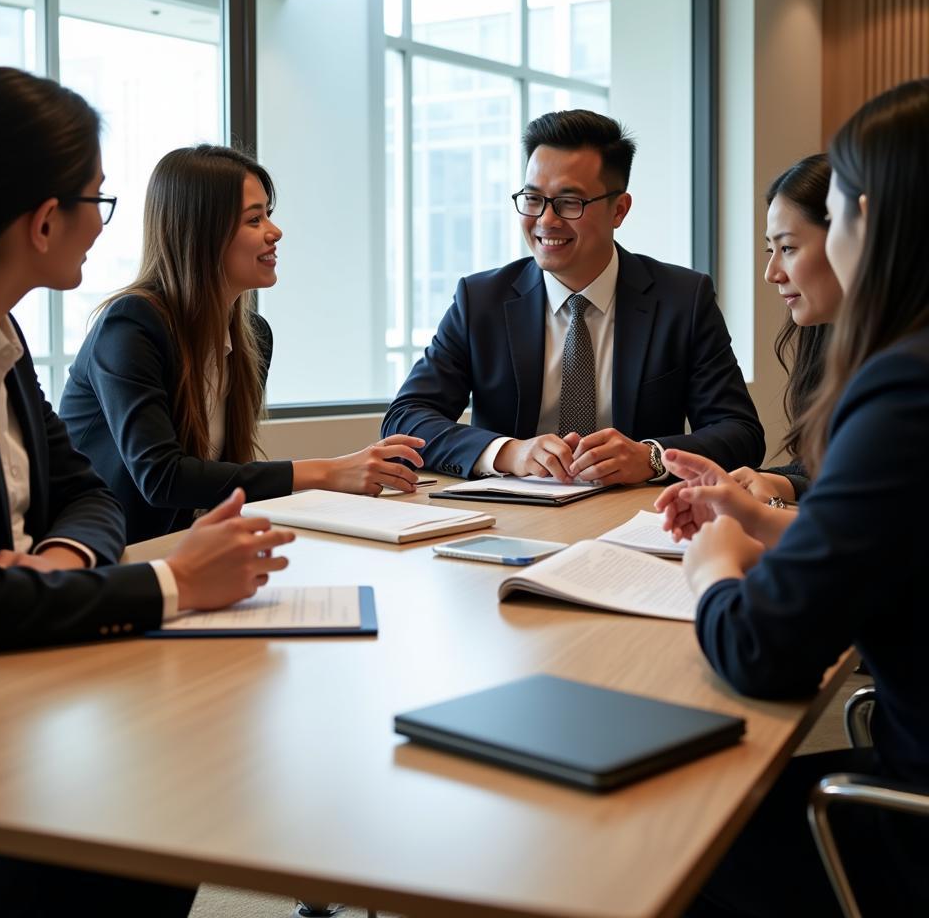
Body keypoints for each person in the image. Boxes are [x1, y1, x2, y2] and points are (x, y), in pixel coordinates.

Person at [0, 67, 294, 915]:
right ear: (46, 221)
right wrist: (174, 581)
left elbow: (90, 492)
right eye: (98, 201)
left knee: (171, 799)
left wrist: (59, 554)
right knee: (153, 824)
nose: (100, 225)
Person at [656, 78, 929, 915]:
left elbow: (761, 654)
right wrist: (767, 521)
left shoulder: (905, 388)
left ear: (870, 222)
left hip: (909, 818)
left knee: (672, 828)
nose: (773, 270)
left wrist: (716, 564)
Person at [59, 145, 424, 544]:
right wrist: (329, 472)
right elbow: (161, 477)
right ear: (201, 232)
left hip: (186, 548)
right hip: (111, 557)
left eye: (268, 214)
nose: (275, 231)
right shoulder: (130, 325)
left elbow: (223, 480)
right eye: (255, 219)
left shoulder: (253, 336)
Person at [381, 110, 764, 485]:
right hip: (510, 519)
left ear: (619, 209)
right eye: (532, 199)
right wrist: (507, 452)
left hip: (634, 519)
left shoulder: (683, 299)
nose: (546, 221)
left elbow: (741, 433)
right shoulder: (481, 300)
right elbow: (406, 418)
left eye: (569, 202)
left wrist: (650, 457)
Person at [733, 154, 841, 505]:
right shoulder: (827, 337)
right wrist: (778, 483)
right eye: (770, 249)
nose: (772, 272)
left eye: (788, 248)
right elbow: (826, 471)